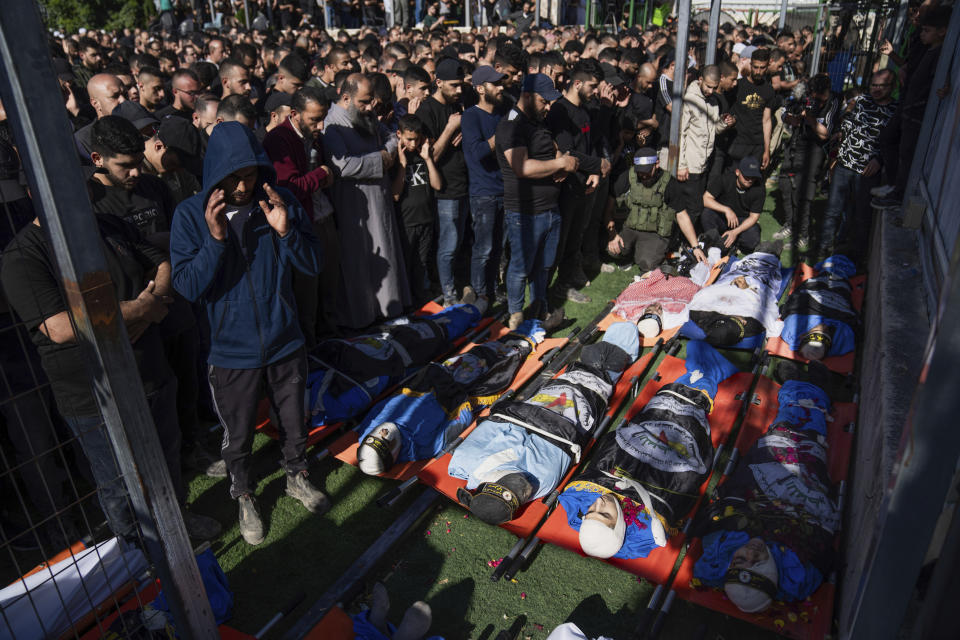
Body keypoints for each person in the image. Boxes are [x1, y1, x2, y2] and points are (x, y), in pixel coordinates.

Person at [1, 137, 221, 542]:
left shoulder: (107, 224)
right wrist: (140, 311)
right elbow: (60, 327)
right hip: (92, 396)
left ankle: (178, 523)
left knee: (165, 458)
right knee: (119, 484)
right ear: (36, 192)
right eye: (71, 183)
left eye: (85, 180)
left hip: (148, 372)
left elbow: (163, 263)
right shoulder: (22, 257)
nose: (87, 190)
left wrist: (154, 297)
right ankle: (136, 556)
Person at [170, 122, 325, 546]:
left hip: (285, 341)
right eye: (234, 176)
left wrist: (286, 230)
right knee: (237, 434)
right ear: (217, 172)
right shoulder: (190, 215)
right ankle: (244, 494)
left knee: (294, 421)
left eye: (251, 174)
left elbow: (313, 264)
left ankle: (297, 475)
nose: (243, 185)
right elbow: (186, 286)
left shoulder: (280, 200)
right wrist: (216, 240)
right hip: (230, 351)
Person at [558, 341, 739, 559]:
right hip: (676, 437)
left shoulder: (593, 496)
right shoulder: (652, 519)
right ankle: (707, 371)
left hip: (643, 432)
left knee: (662, 406)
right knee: (685, 404)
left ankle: (702, 367)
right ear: (619, 527)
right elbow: (684, 482)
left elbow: (605, 457)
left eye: (590, 511)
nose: (599, 502)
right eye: (604, 513)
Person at [449, 321, 640, 524]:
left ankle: (626, 333)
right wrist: (518, 432)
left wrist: (520, 432)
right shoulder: (542, 480)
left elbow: (499, 420)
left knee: (597, 358)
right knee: (609, 355)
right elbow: (557, 433)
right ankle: (628, 333)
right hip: (579, 400)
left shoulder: (465, 460)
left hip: (557, 400)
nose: (524, 488)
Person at [693, 361, 839, 613]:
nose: (751, 551)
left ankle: (800, 386)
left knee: (784, 426)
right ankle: (809, 385)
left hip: (771, 459)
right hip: (804, 463)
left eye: (740, 560)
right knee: (806, 426)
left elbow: (727, 506)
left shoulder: (719, 543)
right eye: (758, 563)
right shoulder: (801, 558)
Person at [355, 320, 543, 475]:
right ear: (393, 454)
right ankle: (532, 335)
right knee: (498, 365)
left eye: (375, 435)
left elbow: (385, 403)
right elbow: (457, 425)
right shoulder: (423, 446)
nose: (382, 433)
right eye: (386, 440)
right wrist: (460, 401)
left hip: (434, 377)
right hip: (460, 393)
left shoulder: (366, 429)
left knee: (477, 354)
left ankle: (524, 327)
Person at [306, 303, 481, 431]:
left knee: (429, 328)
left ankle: (466, 308)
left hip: (386, 347)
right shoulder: (330, 402)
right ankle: (472, 308)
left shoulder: (322, 398)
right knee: (435, 329)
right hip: (393, 349)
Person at [324, 73, 412, 328]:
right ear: (346, 97)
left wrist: (388, 152)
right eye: (363, 102)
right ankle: (363, 317)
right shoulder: (332, 125)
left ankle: (390, 310)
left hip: (379, 196)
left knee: (387, 248)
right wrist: (380, 160)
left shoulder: (367, 115)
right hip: (354, 204)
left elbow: (391, 137)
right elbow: (342, 166)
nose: (369, 107)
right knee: (359, 259)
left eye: (370, 101)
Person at [495, 73, 578, 330]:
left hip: (550, 208)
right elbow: (522, 167)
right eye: (544, 101)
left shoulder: (537, 121)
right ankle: (516, 313)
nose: (548, 106)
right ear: (527, 96)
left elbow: (550, 149)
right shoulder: (512, 124)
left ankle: (539, 306)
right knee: (521, 267)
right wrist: (560, 163)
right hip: (525, 211)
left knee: (543, 266)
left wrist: (558, 163)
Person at [262, 86, 334, 346]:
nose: (321, 125)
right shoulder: (279, 141)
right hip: (300, 227)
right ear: (295, 114)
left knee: (326, 286)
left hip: (321, 216)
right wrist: (321, 175)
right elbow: (286, 189)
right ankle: (310, 350)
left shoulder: (311, 136)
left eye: (323, 117)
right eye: (315, 119)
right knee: (306, 295)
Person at [546, 59, 609, 305]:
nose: (595, 92)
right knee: (559, 243)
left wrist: (593, 171)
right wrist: (598, 165)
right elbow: (567, 151)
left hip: (584, 185)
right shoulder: (561, 111)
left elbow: (589, 145)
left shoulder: (584, 110)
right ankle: (545, 294)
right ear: (578, 83)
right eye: (593, 86)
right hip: (565, 188)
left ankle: (565, 284)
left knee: (575, 239)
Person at [819, 69, 896, 256]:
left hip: (867, 171)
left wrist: (880, 160)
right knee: (833, 209)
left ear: (892, 87)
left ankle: (855, 253)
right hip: (844, 164)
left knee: (861, 215)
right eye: (873, 85)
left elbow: (895, 142)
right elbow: (847, 123)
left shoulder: (896, 110)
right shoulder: (861, 102)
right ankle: (823, 248)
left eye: (882, 86)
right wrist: (840, 135)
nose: (876, 89)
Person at [415, 58, 468, 307]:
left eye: (461, 85)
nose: (459, 91)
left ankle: (458, 286)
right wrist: (449, 130)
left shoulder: (462, 104)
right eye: (454, 86)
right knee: (448, 244)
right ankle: (448, 296)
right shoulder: (427, 111)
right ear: (438, 83)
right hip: (444, 190)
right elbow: (430, 156)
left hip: (465, 184)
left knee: (460, 243)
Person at [773, 74, 838, 251]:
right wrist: (791, 118)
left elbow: (825, 133)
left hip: (815, 150)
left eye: (818, 97)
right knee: (785, 184)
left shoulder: (834, 102)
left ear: (826, 91)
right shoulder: (805, 97)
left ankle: (803, 234)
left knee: (803, 193)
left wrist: (807, 117)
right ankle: (790, 224)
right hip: (796, 143)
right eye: (812, 95)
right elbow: (785, 112)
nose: (814, 100)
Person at [461, 65, 507, 311]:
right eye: (495, 84)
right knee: (484, 248)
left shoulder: (501, 113)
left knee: (498, 247)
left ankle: (491, 290)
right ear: (480, 89)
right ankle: (479, 296)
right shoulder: (471, 116)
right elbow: (477, 152)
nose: (501, 88)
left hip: (503, 190)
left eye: (501, 83)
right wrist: (500, 135)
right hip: (483, 193)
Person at [682, 247, 784, 347]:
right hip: (757, 280)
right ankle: (773, 253)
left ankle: (762, 251)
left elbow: (703, 296)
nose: (743, 321)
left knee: (759, 253)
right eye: (743, 322)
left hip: (734, 278)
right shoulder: (755, 322)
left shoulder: (700, 314)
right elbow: (769, 312)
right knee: (772, 254)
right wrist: (747, 289)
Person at [677, 65, 733, 246]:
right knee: (691, 208)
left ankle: (685, 244)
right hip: (689, 165)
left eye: (714, 87)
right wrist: (680, 164)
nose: (711, 91)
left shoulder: (714, 102)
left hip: (703, 163)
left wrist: (724, 124)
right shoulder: (689, 100)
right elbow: (679, 134)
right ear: (700, 80)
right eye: (708, 86)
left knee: (696, 207)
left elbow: (714, 129)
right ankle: (680, 243)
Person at [603, 148, 683, 272]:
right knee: (612, 250)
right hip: (631, 227)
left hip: (655, 233)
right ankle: (630, 255)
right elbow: (611, 199)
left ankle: (653, 252)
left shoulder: (669, 183)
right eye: (640, 172)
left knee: (647, 264)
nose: (643, 176)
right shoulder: (629, 175)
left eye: (646, 172)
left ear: (656, 164)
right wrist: (612, 235)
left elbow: (682, 215)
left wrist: (695, 246)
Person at [392, 114, 442, 304]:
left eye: (416, 139)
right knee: (406, 263)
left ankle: (420, 299)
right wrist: (403, 166)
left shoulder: (423, 156)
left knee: (421, 263)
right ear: (399, 134)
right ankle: (406, 301)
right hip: (406, 221)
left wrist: (428, 159)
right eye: (409, 139)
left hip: (426, 219)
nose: (413, 144)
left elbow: (437, 185)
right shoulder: (397, 159)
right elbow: (395, 194)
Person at [779, 254, 858, 361]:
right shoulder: (844, 339)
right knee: (839, 269)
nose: (824, 327)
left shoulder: (791, 329)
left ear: (802, 336)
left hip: (814, 291)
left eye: (816, 330)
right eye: (826, 332)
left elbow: (791, 304)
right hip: (838, 290)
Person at [701, 157, 766, 255]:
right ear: (737, 172)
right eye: (746, 176)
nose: (750, 180)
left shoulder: (759, 189)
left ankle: (734, 243)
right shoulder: (724, 179)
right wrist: (726, 210)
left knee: (752, 240)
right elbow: (705, 199)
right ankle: (715, 241)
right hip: (723, 217)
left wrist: (735, 232)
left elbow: (754, 217)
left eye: (753, 177)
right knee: (707, 214)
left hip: (743, 220)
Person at [727, 48, 774, 171]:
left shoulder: (768, 90)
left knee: (751, 180)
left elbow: (767, 120)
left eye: (762, 68)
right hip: (737, 141)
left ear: (767, 66)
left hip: (757, 145)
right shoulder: (738, 85)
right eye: (755, 67)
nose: (758, 71)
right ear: (751, 64)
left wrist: (766, 149)